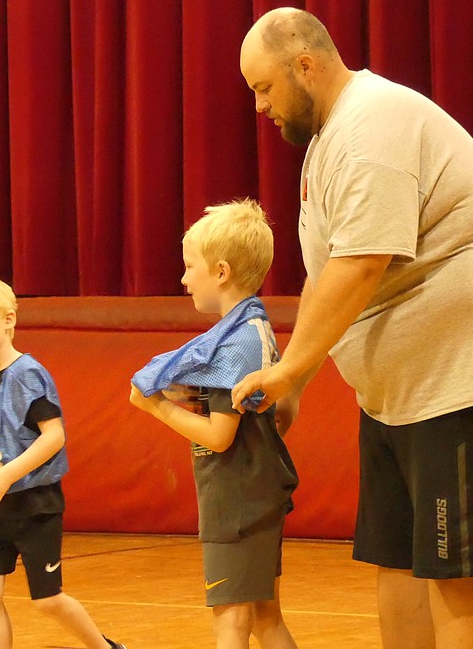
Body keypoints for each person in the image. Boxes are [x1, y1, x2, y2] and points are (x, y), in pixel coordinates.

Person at [232, 8, 473, 648]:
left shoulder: (370, 125)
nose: (260, 106)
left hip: (468, 370)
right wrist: (296, 381)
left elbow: (361, 265)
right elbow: (330, 271)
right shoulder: (334, 138)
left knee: (460, 564)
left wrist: (290, 369)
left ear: (306, 66)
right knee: (399, 553)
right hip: (403, 391)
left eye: (264, 87)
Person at [128, 200, 299, 649]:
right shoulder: (252, 330)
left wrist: (156, 409)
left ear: (220, 272)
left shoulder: (233, 345)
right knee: (266, 618)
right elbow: (273, 414)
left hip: (236, 502)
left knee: (230, 622)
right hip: (254, 493)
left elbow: (220, 438)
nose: (183, 279)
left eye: (189, 267)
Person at [0, 275, 127, 649]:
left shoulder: (27, 374)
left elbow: (54, 436)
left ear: (9, 319)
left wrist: (9, 474)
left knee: (47, 600)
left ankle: (106, 648)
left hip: (34, 506)